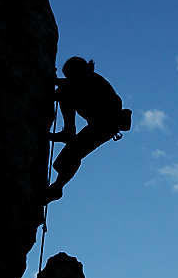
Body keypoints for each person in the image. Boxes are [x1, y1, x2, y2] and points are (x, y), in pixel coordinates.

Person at [46, 57, 131, 203]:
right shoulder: (88, 79)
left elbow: (66, 86)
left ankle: (68, 131)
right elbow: (67, 86)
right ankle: (57, 187)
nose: (68, 76)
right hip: (105, 126)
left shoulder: (86, 76)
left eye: (68, 73)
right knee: (71, 155)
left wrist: (45, 89)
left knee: (72, 153)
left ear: (75, 68)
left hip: (103, 125)